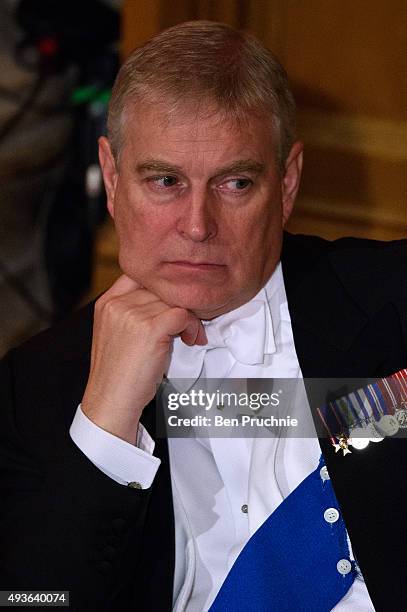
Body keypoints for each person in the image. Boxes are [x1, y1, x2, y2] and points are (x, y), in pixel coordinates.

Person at [0, 20, 406, 612]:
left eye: (235, 183)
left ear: (287, 183)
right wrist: (105, 424)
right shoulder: (30, 390)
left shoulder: (391, 305)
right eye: (165, 181)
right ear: (112, 179)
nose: (197, 225)